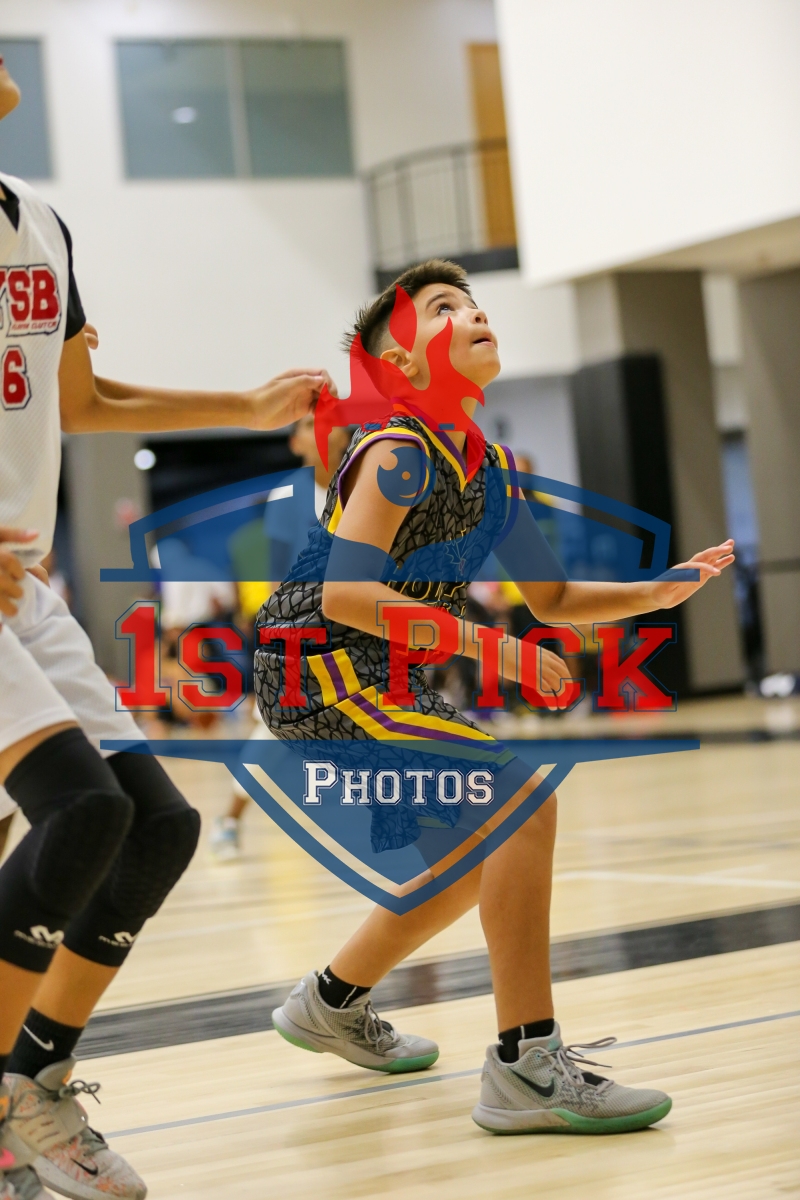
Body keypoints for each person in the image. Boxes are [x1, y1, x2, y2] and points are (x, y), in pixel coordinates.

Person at [255, 259, 735, 1134]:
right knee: (521, 802)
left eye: (474, 303)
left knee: (476, 859)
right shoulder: (399, 451)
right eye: (444, 308)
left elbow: (551, 598)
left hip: (379, 674)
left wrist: (653, 592)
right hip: (316, 668)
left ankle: (330, 1001)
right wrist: (493, 647)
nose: (474, 313)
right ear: (399, 363)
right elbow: (346, 595)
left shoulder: (491, 470)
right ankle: (526, 1064)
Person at [0, 57, 331, 1200]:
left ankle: (32, 1082)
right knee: (79, 812)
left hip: (21, 585)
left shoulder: (40, 223)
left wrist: (241, 407)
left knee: (155, 827)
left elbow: (79, 401)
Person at [210, 414, 352, 861]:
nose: (321, 431)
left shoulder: (369, 488)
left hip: (362, 629)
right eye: (309, 425)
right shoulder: (286, 497)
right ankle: (229, 821)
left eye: (330, 423)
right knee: (275, 732)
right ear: (296, 443)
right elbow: (277, 581)